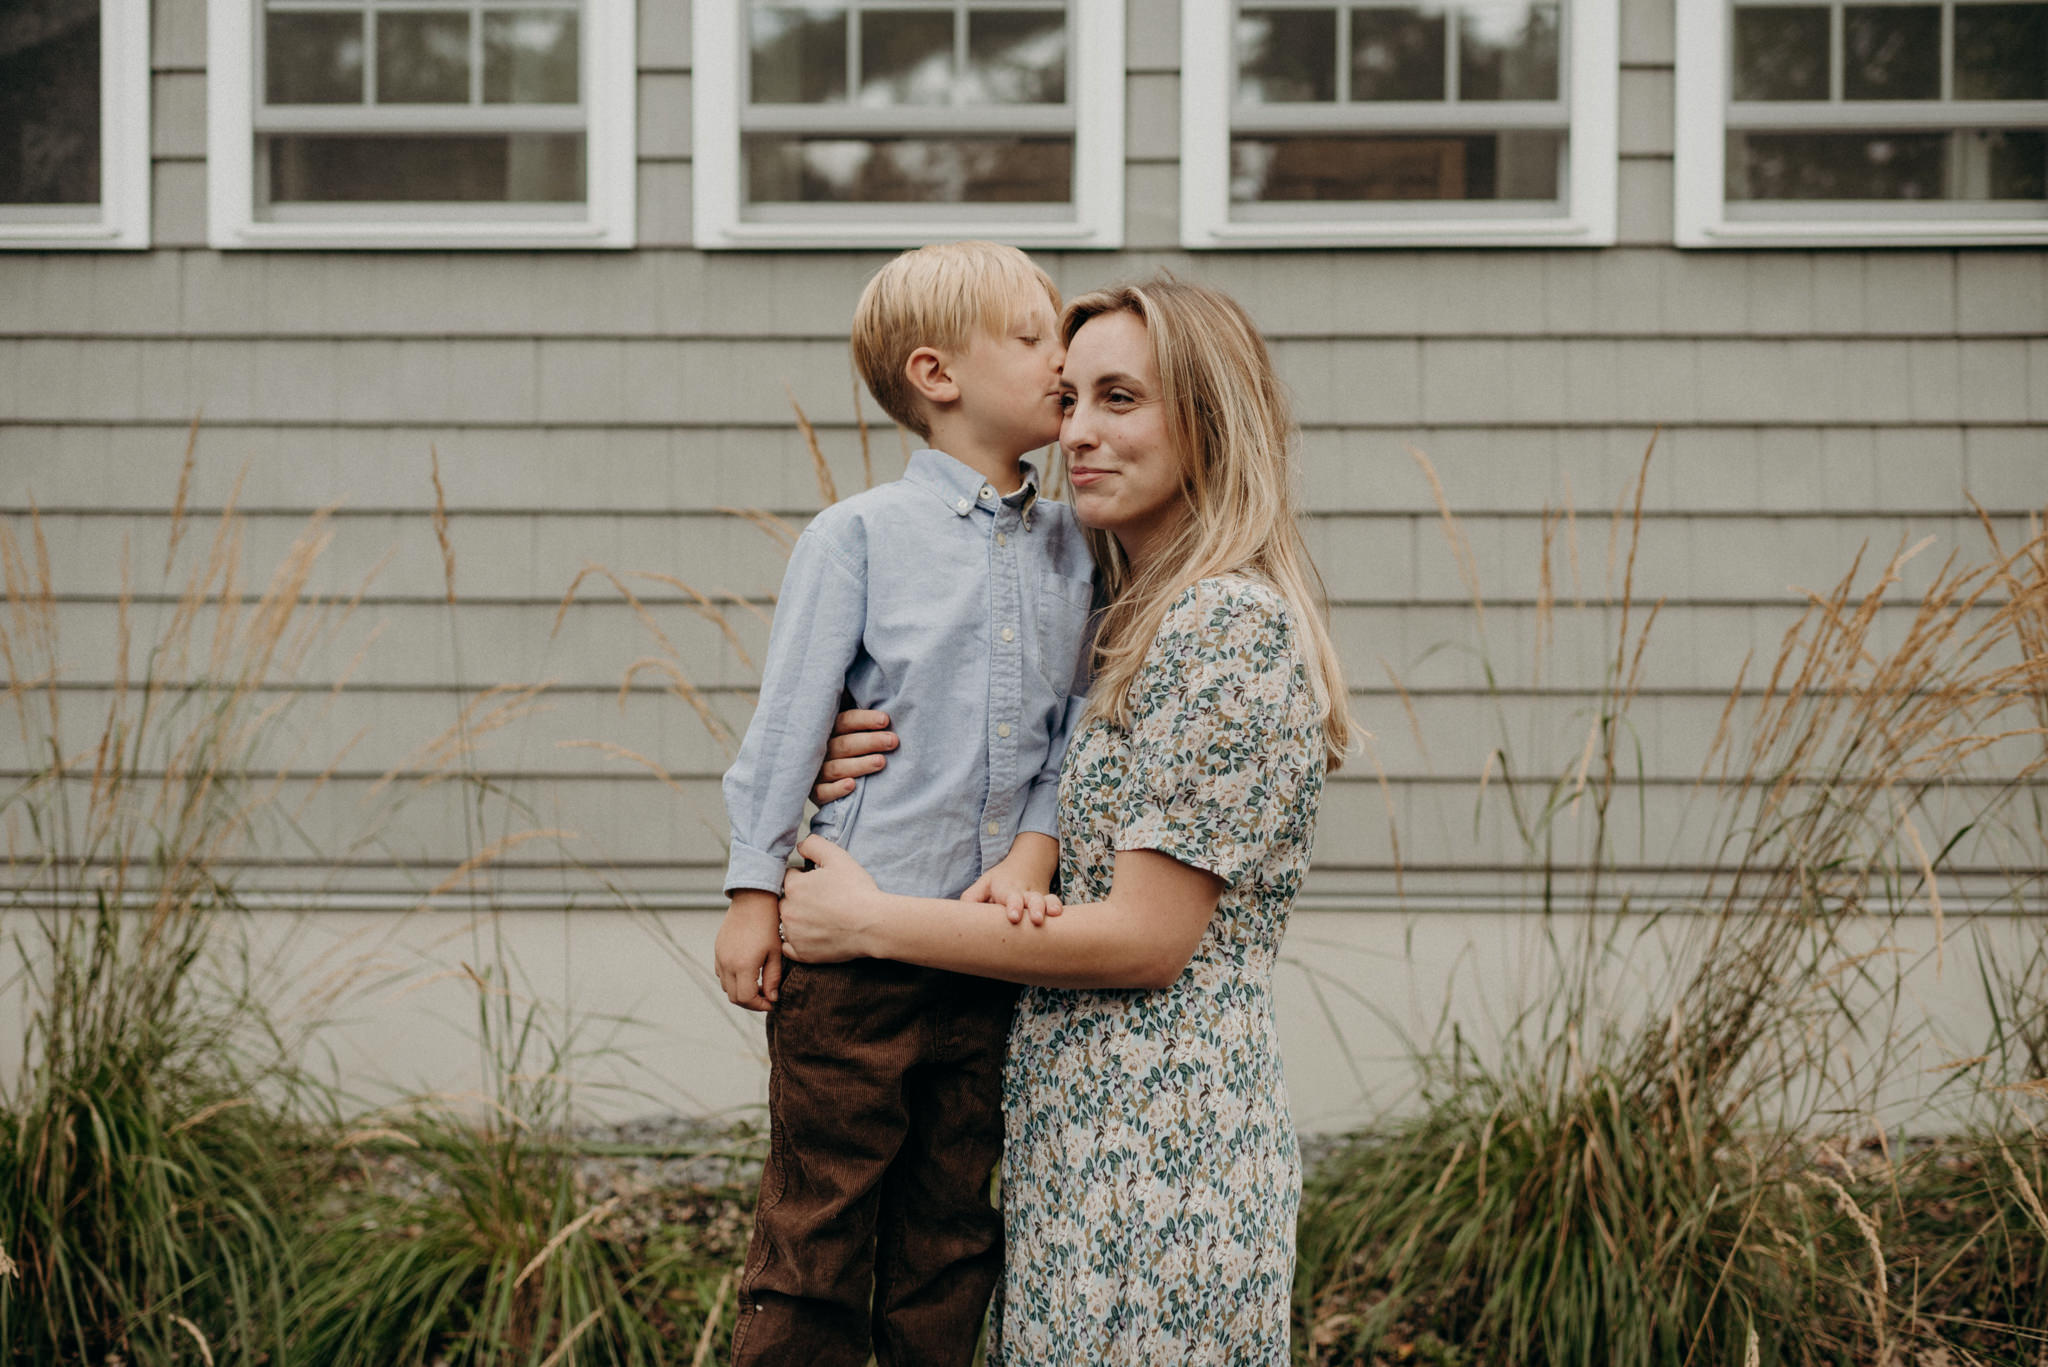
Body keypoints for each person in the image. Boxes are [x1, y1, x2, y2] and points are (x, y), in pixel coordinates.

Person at [779, 276, 1355, 1365]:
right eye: (1068, 397)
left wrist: (868, 921)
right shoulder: (1123, 616)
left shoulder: (1224, 625)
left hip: (1163, 1157)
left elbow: (1144, 938)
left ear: (1206, 416)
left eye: (1118, 399)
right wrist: (839, 747)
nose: (1075, 432)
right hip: (1071, 1143)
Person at [713, 240, 1097, 1367]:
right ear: (937, 374)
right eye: (1031, 337)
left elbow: (1075, 725)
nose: (1058, 358)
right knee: (821, 1216)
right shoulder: (860, 537)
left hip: (983, 951)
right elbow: (790, 725)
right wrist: (751, 889)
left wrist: (1034, 849)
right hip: (849, 954)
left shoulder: (1083, 549)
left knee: (949, 1225)